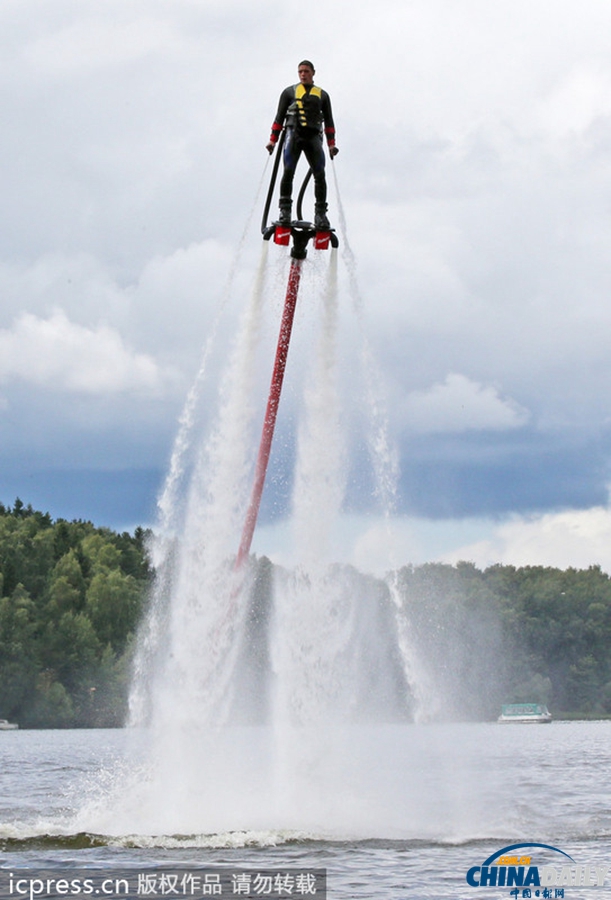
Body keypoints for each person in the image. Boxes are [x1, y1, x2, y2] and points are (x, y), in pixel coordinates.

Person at [266, 60, 339, 229]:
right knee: (288, 172)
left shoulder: (323, 95)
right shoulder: (288, 92)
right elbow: (279, 118)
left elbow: (329, 121)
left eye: (306, 71)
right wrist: (272, 140)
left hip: (313, 137)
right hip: (294, 135)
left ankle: (320, 214)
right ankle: (285, 211)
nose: (303, 74)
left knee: (319, 174)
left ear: (313, 72)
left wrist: (331, 144)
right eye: (300, 71)